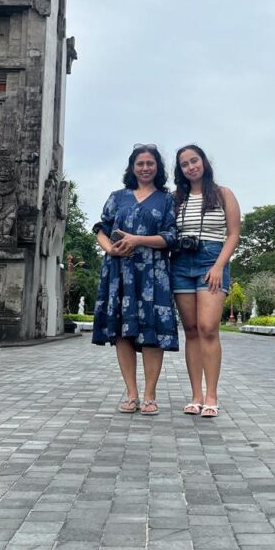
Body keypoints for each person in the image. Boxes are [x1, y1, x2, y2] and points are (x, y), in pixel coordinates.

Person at [92, 144, 178, 415]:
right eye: (140, 163)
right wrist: (110, 249)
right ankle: (131, 393)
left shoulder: (166, 200)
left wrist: (138, 239)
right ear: (132, 167)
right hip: (120, 270)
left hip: (153, 272)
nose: (145, 168)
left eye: (150, 163)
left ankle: (150, 395)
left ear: (157, 167)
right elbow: (101, 228)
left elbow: (171, 237)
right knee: (122, 332)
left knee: (152, 332)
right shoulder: (118, 197)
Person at [171, 145, 240, 418]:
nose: (191, 167)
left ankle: (212, 395)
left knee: (208, 328)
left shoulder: (223, 194)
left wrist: (218, 266)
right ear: (180, 170)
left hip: (211, 259)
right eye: (185, 164)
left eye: (194, 160)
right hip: (180, 262)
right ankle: (196, 395)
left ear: (204, 162)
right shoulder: (176, 198)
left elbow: (233, 234)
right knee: (190, 330)